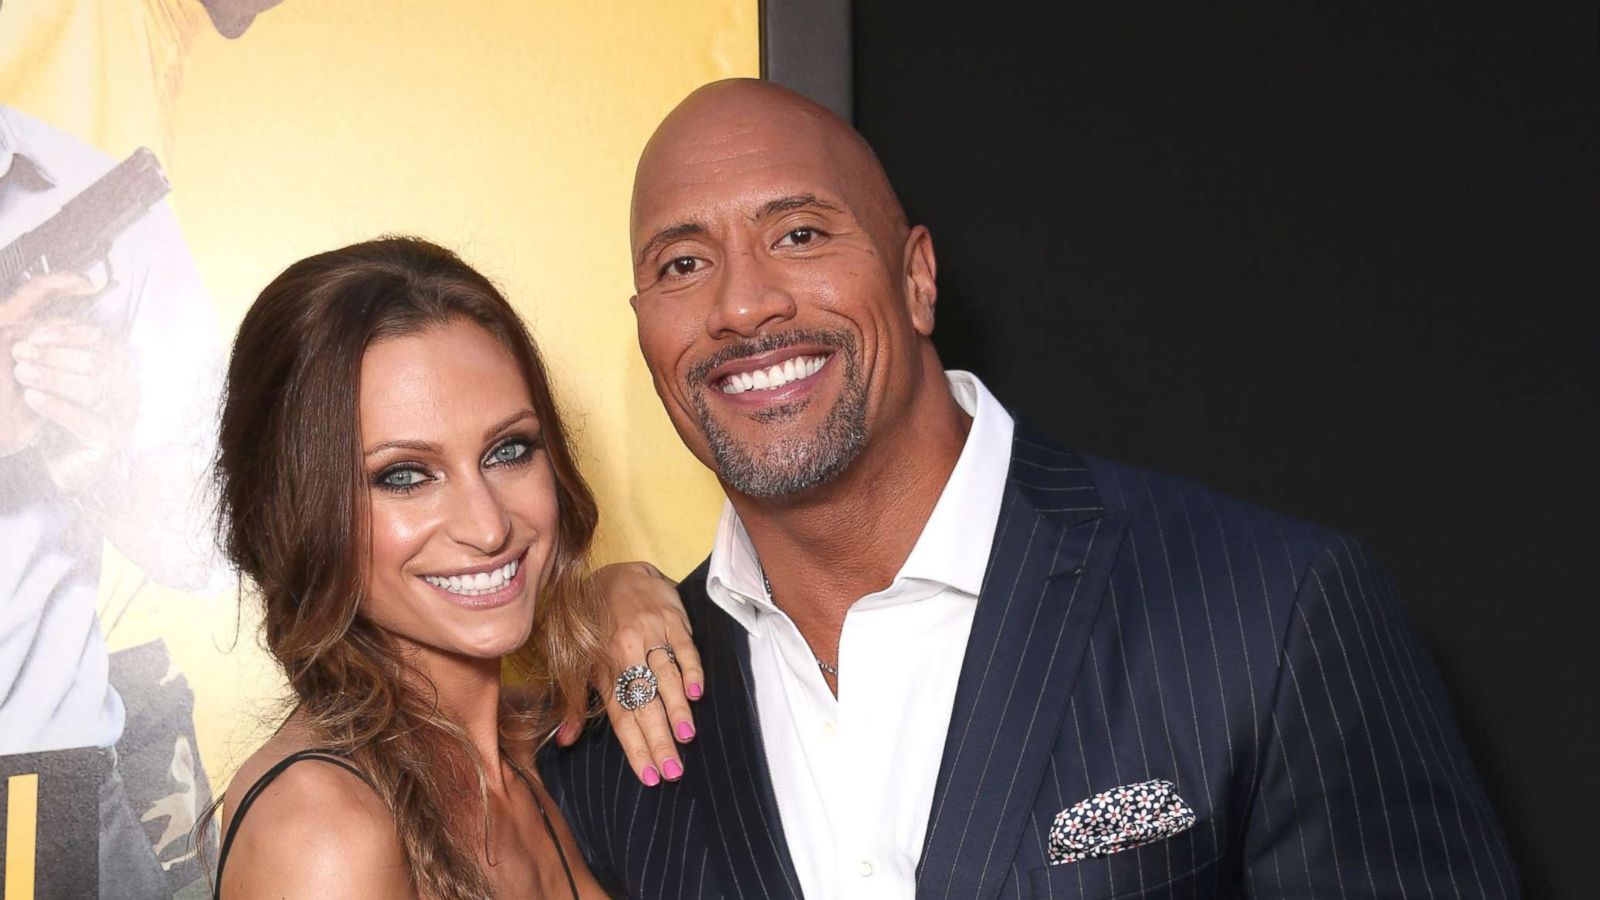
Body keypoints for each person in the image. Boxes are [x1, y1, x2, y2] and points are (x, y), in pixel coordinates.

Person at [540, 79, 1519, 898]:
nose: (742, 302)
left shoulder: (1271, 612)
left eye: (798, 235)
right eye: (681, 263)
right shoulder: (608, 738)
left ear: (917, 278)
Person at [208, 237, 622, 898]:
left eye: (509, 449)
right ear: (294, 513)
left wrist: (638, 599)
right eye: (404, 475)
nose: (488, 527)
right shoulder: (325, 834)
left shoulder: (539, 748)